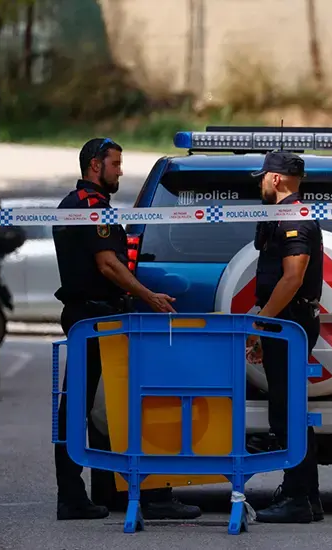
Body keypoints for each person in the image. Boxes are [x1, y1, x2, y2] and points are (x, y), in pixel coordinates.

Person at [52, 137, 201, 521]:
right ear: (94, 166)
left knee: (100, 407)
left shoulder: (86, 206)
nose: (120, 170)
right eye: (115, 163)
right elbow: (107, 265)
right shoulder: (89, 208)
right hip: (94, 317)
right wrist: (149, 296)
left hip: (96, 316)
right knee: (87, 407)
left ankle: (106, 488)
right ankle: (75, 496)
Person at [247, 150, 324, 524]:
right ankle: (307, 494)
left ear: (275, 179)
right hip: (285, 323)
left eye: (262, 177)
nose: (260, 183)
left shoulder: (294, 217)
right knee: (288, 408)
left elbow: (292, 278)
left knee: (287, 412)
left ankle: (297, 498)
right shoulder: (280, 215)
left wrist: (260, 324)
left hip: (288, 323)